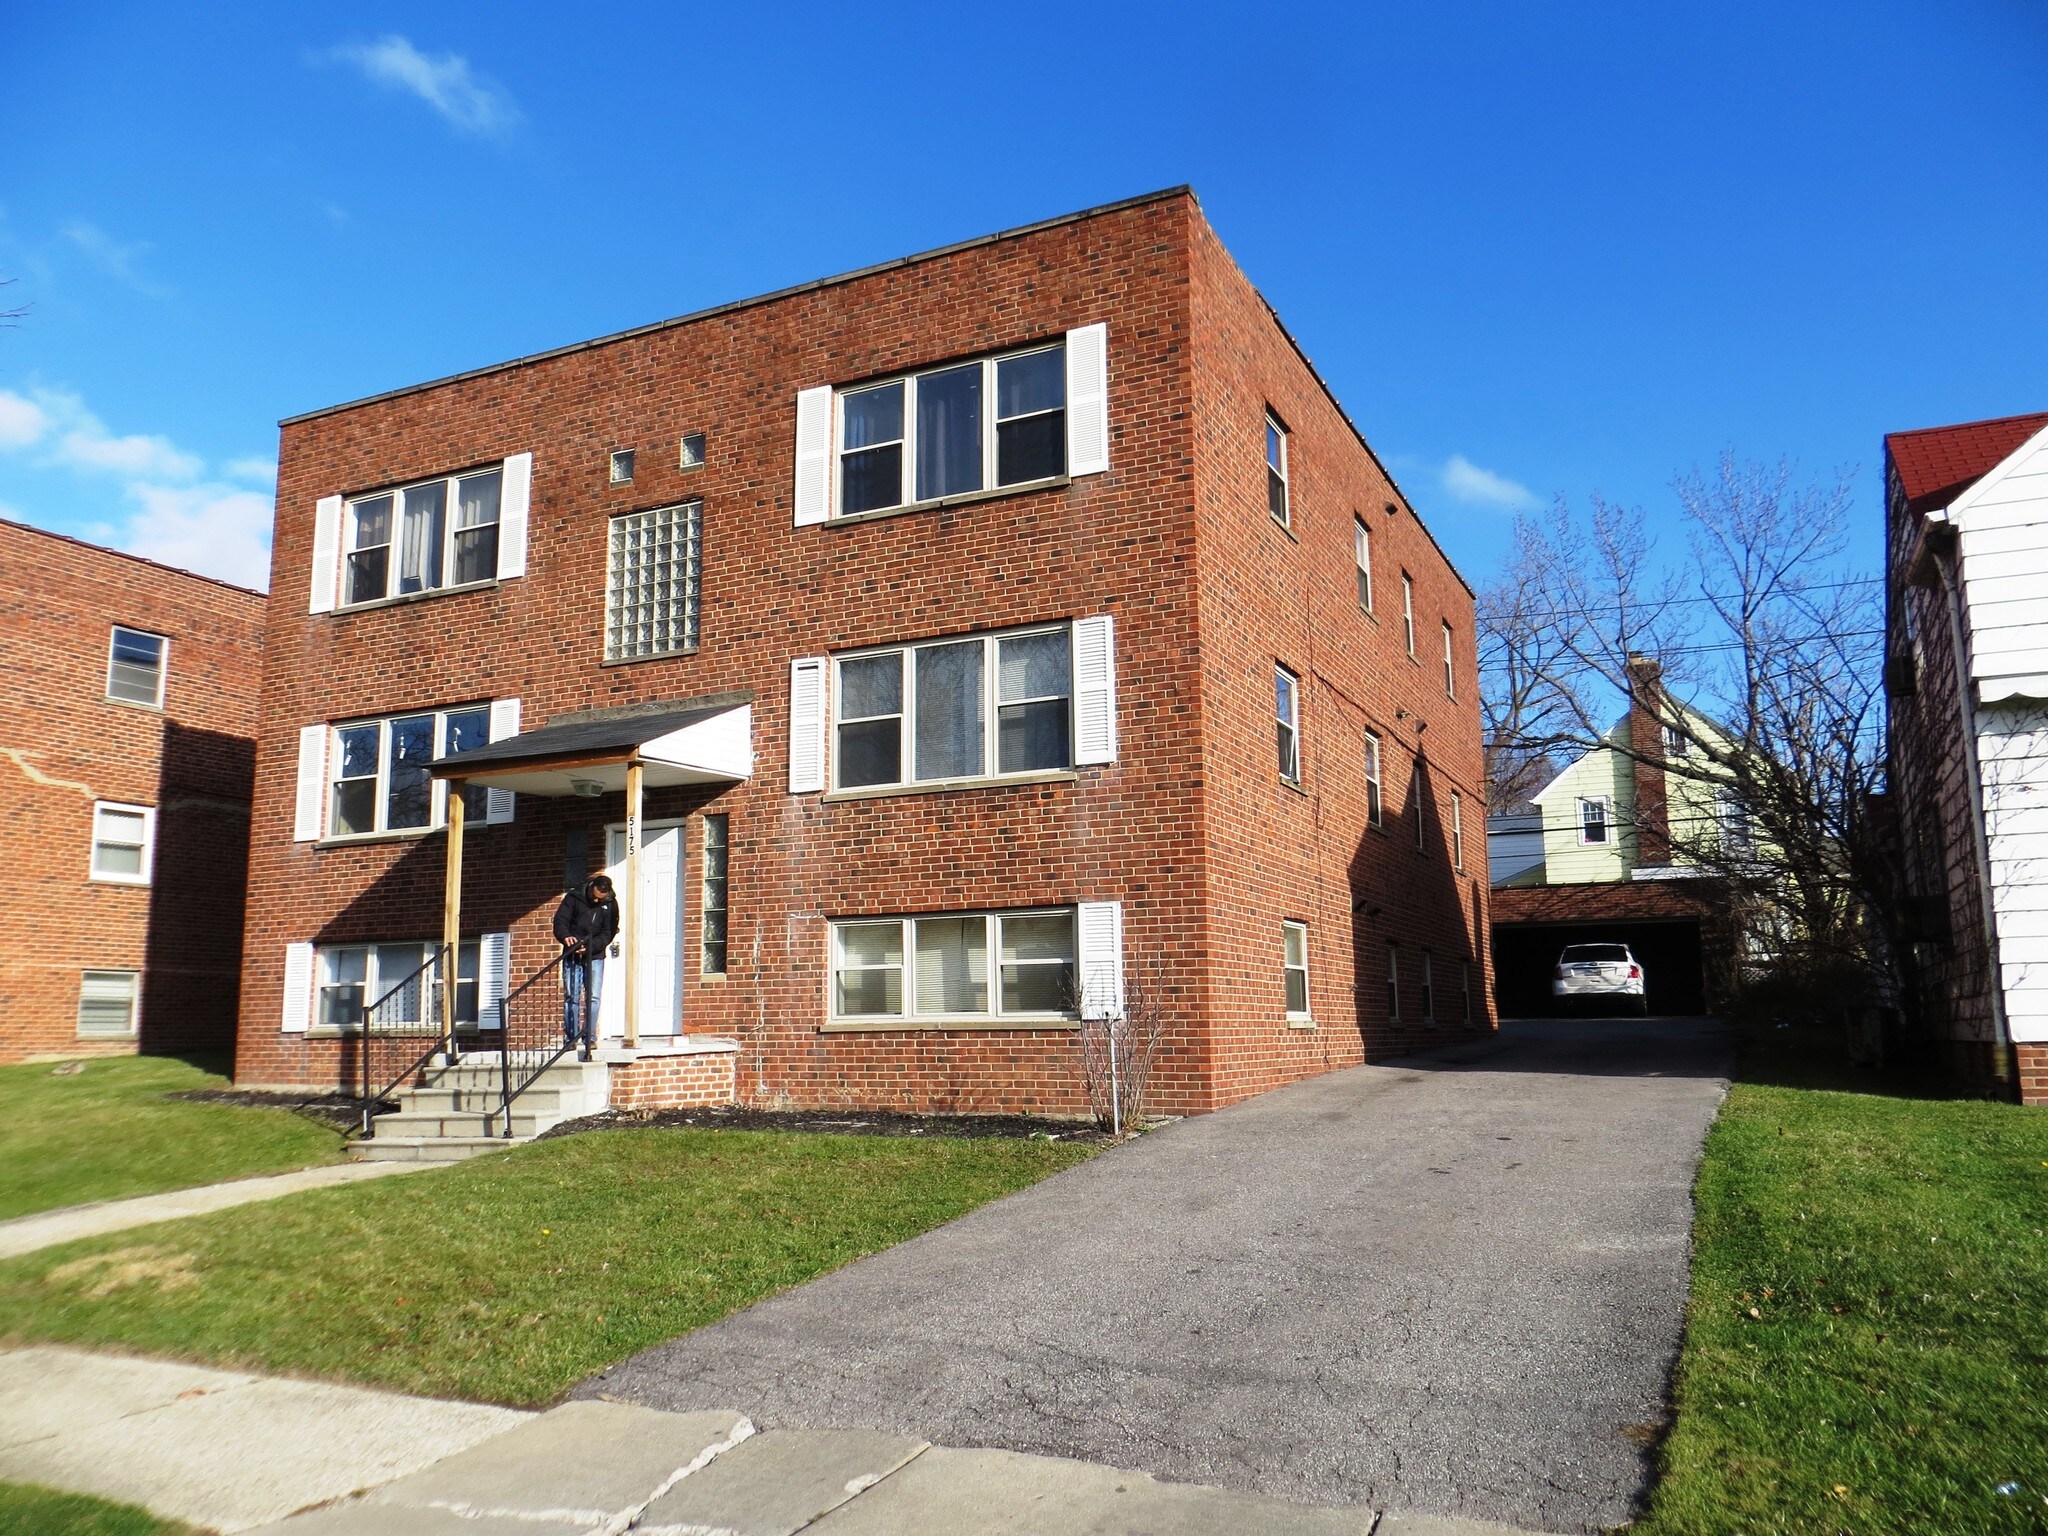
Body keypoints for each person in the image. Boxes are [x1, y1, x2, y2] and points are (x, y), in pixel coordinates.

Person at [552, 875, 619, 1060]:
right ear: (591, 887)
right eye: (595, 896)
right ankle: (571, 1037)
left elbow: (609, 932)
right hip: (572, 954)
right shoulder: (574, 898)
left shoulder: (610, 903)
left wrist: (591, 946)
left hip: (595, 955)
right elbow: (560, 922)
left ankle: (589, 1037)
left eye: (601, 898)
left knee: (593, 997)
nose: (597, 900)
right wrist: (566, 937)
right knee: (572, 996)